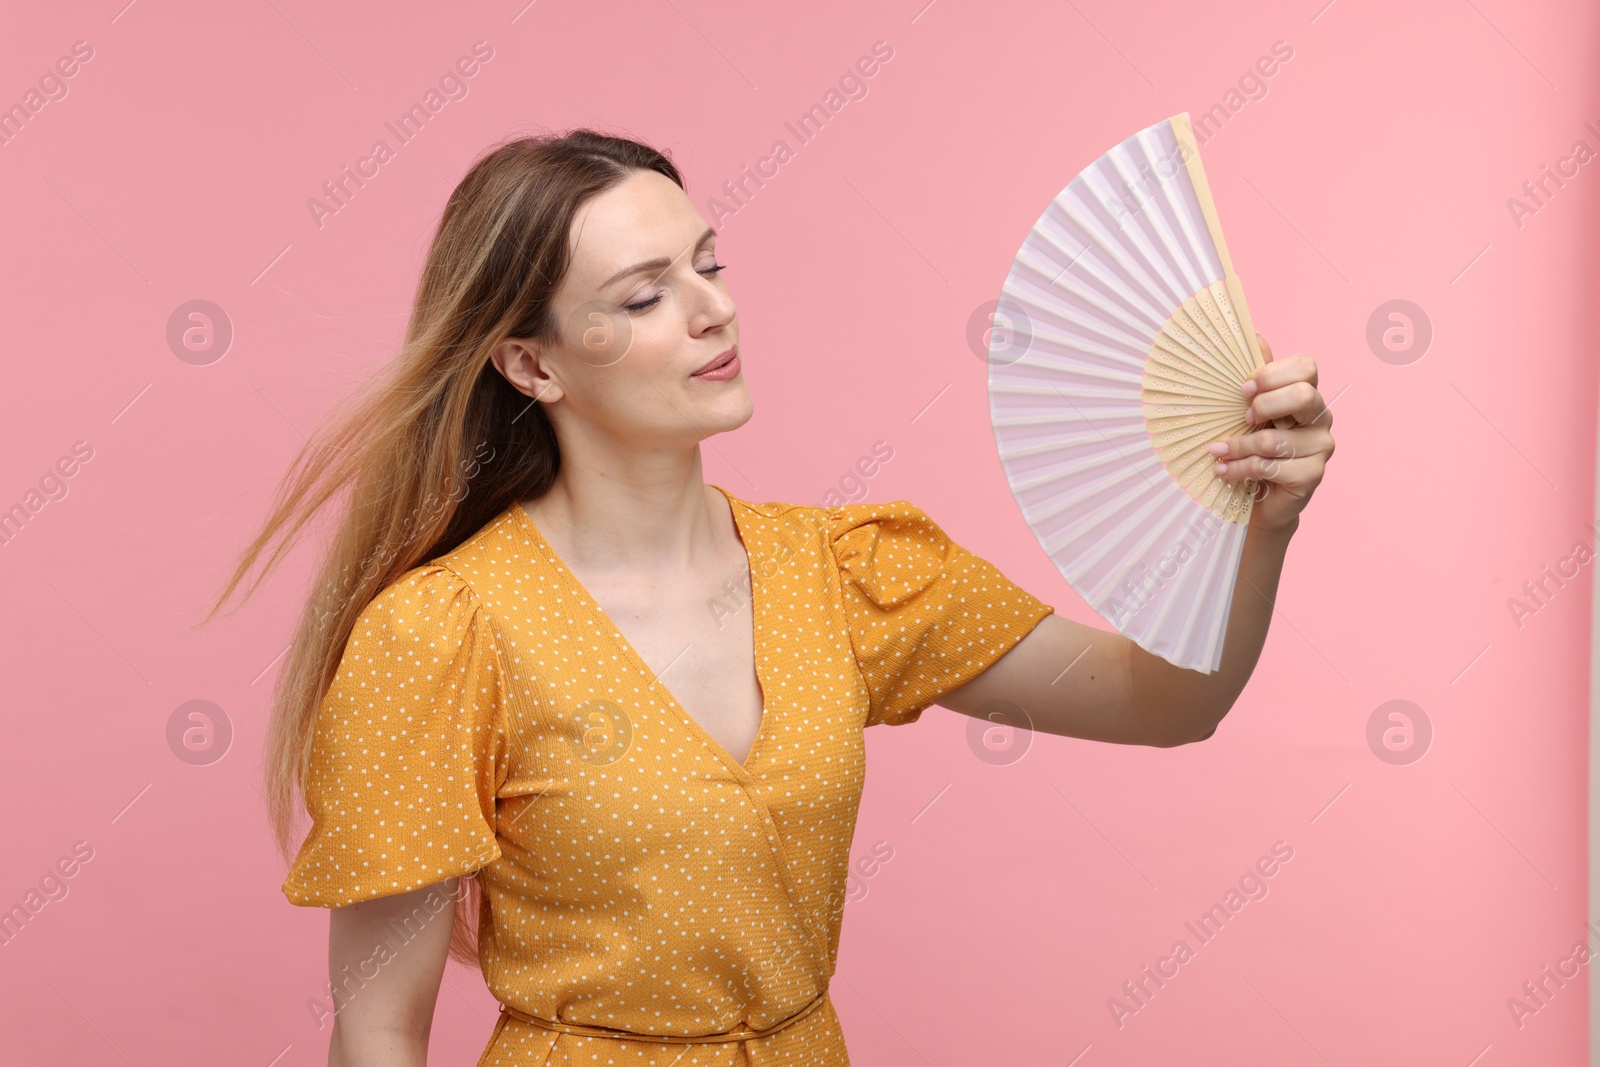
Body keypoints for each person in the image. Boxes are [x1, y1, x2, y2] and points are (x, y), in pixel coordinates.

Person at [206, 128, 1333, 1066]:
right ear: (531, 366)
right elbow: (378, 1023)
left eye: (709, 261)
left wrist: (1258, 526)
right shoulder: (442, 633)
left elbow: (1170, 702)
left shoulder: (844, 569)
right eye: (646, 295)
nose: (712, 310)